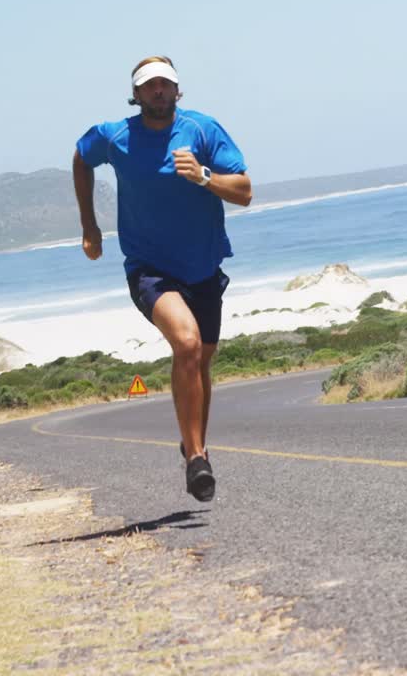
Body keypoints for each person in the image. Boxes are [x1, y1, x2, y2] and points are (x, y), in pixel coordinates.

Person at [72, 56, 252, 502]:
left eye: (164, 85)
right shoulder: (114, 136)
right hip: (149, 268)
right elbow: (80, 158)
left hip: (204, 266)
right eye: (148, 86)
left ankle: (195, 445)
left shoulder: (203, 129)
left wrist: (204, 176)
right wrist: (89, 226)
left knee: (202, 359)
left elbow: (245, 191)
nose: (157, 91)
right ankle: (196, 458)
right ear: (136, 95)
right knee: (187, 344)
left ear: (177, 91)